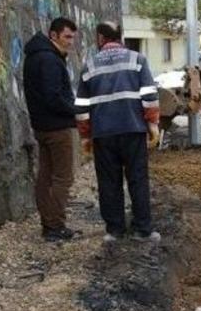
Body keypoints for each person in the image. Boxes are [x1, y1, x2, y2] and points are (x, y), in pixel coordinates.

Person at [75, 22, 161, 243]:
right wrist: (152, 124)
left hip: (103, 134)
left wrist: (85, 136)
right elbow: (150, 95)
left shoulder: (89, 66)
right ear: (119, 37)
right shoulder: (137, 60)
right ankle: (143, 229)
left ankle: (115, 230)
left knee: (109, 181)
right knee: (137, 179)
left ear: (101, 38)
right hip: (133, 129)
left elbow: (82, 106)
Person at [22, 17, 78, 242]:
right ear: (53, 35)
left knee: (45, 176)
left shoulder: (35, 56)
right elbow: (53, 96)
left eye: (73, 37)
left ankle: (49, 223)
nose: (71, 42)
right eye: (67, 36)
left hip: (41, 125)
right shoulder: (50, 60)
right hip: (57, 127)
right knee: (62, 177)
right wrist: (75, 110)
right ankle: (54, 226)